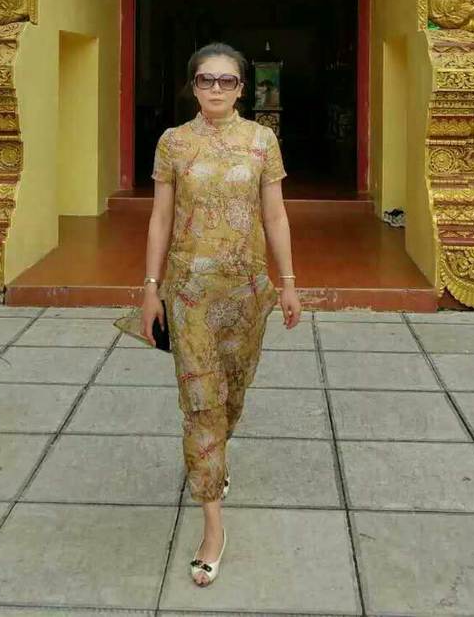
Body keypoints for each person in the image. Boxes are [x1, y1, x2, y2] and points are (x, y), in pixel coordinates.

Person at [140, 41, 300, 586]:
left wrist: (287, 284)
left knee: (231, 396)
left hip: (247, 293)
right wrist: (150, 289)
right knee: (201, 405)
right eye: (205, 79)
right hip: (189, 295)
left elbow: (275, 217)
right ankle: (212, 525)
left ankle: (215, 460)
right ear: (193, 85)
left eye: (226, 80)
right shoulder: (173, 142)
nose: (215, 88)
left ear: (241, 88)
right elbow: (161, 219)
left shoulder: (261, 141)